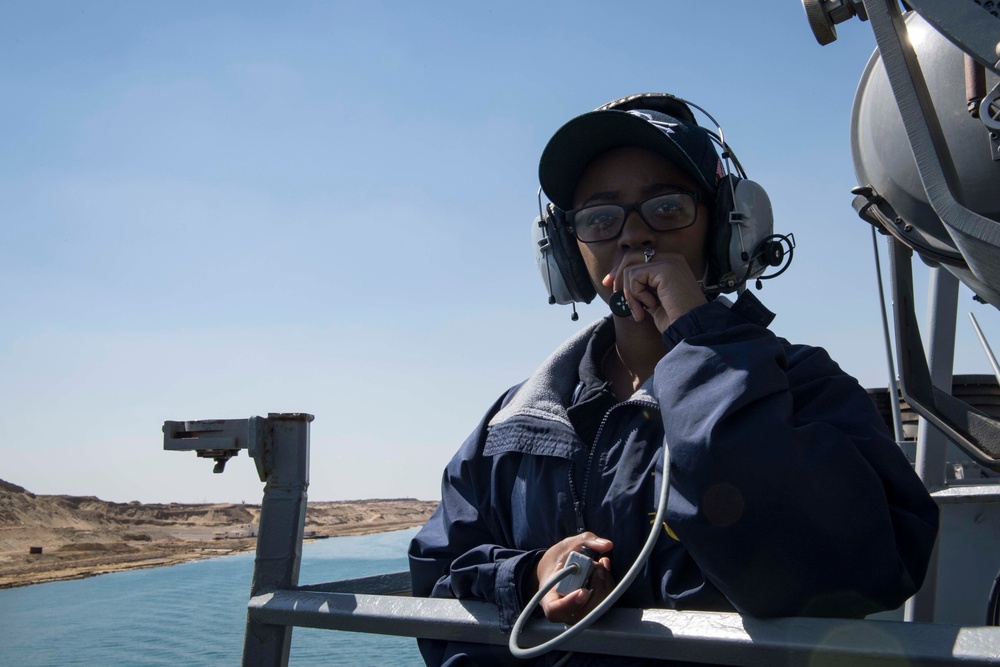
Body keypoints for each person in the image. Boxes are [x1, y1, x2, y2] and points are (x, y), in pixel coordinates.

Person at [408, 93, 939, 666]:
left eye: (666, 207)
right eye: (601, 217)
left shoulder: (804, 386)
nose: (635, 236)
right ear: (568, 250)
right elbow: (439, 586)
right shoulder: (514, 422)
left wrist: (700, 343)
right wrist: (525, 576)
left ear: (724, 229)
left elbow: (850, 572)